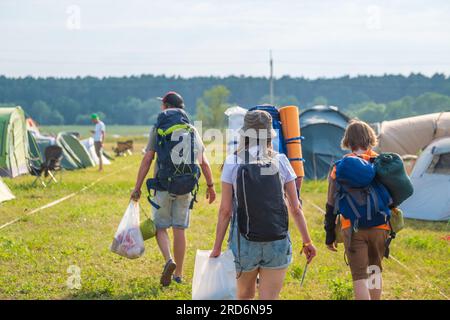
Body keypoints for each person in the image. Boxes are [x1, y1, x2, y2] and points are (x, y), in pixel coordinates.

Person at [210, 110, 316, 300]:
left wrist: (217, 248)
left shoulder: (233, 161)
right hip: (277, 239)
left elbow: (225, 210)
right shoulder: (281, 161)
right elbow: (295, 208)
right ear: (269, 134)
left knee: (244, 296)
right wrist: (307, 241)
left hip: (244, 242)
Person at [131, 91, 216, 287]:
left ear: (166, 106)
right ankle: (178, 274)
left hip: (162, 185)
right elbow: (203, 162)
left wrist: (137, 187)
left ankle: (169, 260)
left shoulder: (159, 127)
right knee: (180, 229)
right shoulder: (191, 129)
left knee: (161, 227)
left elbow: (147, 159)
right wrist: (211, 186)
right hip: (186, 186)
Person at [324, 119, 390, 300]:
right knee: (375, 270)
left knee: (359, 276)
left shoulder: (339, 168)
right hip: (380, 226)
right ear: (370, 138)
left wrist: (330, 234)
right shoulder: (381, 163)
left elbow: (330, 204)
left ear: (348, 141)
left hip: (352, 228)